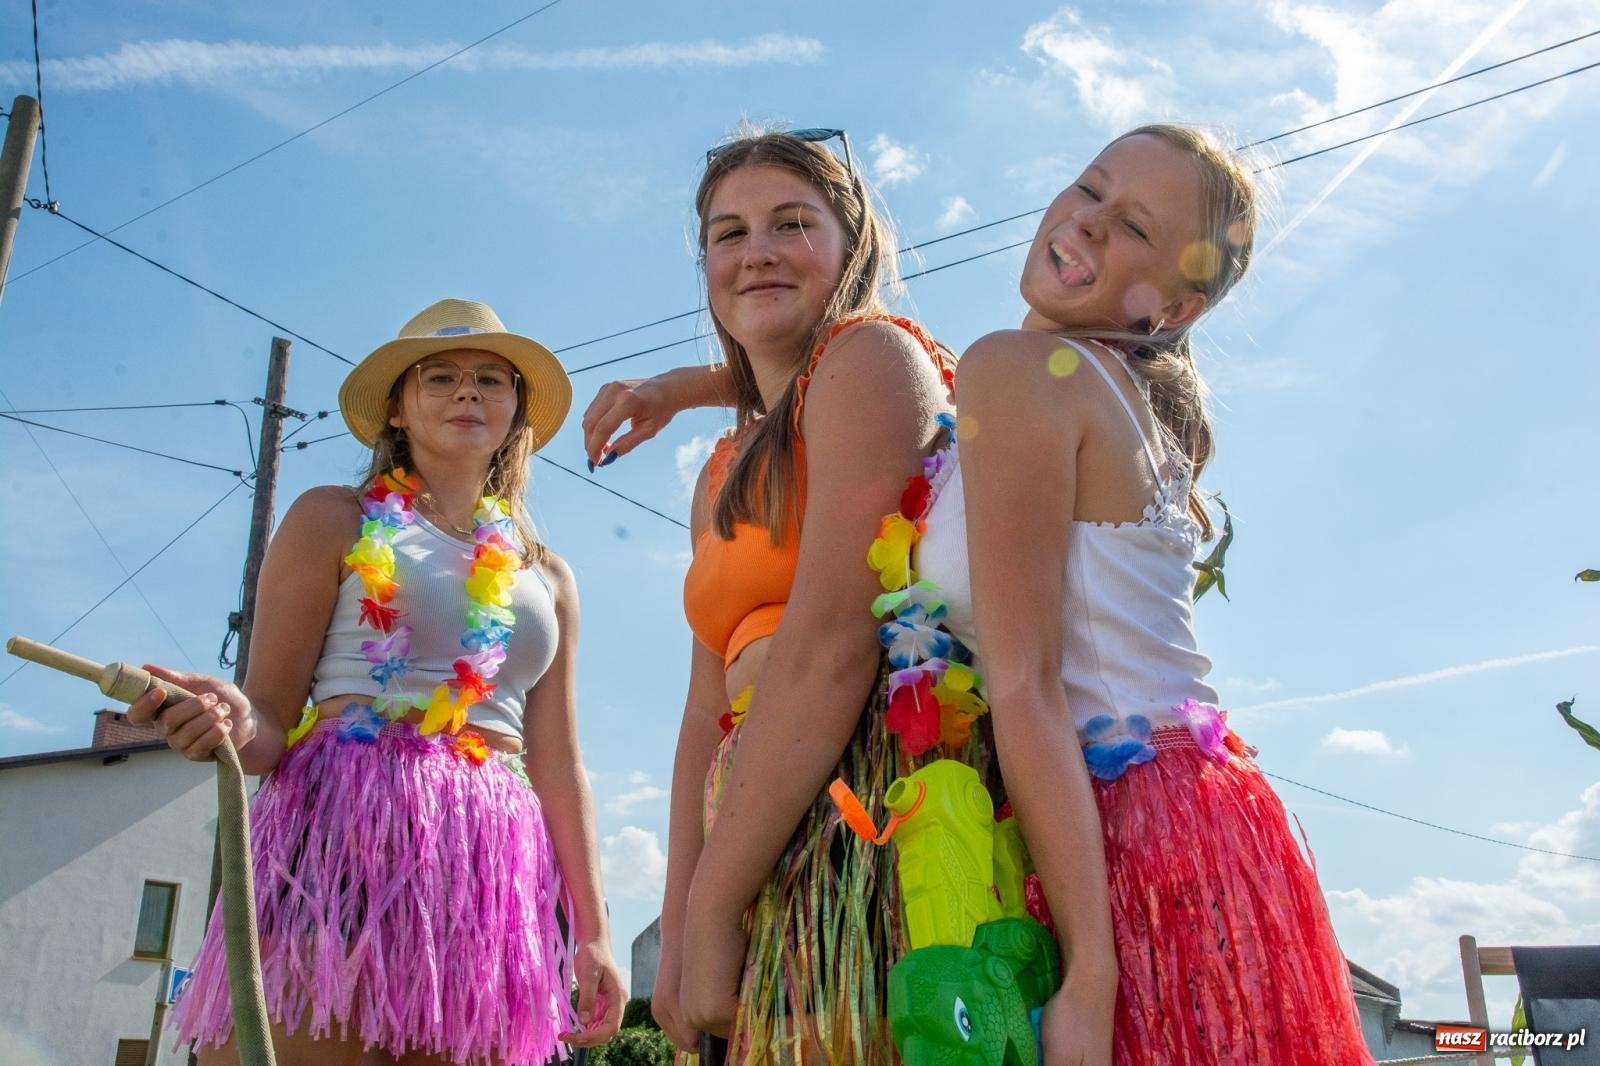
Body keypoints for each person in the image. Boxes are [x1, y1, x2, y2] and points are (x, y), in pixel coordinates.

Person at [585, 125, 1375, 1065]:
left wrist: (1092, 971)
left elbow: (1024, 684)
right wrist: (695, 384)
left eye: (1132, 226)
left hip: (1123, 825)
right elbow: (870, 396)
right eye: (1089, 188)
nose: (1085, 223)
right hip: (1156, 811)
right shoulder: (1049, 386)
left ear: (1174, 304)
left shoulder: (1022, 373)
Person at [128, 298, 624, 1065]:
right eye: (442, 376)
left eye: (491, 378)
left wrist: (591, 931)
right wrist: (226, 718)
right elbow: (265, 723)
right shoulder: (335, 518)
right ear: (398, 404)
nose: (468, 392)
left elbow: (558, 762)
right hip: (339, 832)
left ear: (517, 408)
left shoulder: (546, 573)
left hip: (489, 859)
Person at [595, 127, 964, 1064]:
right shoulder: (720, 465)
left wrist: (716, 901)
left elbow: (834, 644)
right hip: (749, 821)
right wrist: (679, 924)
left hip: (858, 812)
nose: (755, 249)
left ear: (852, 246)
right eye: (728, 233)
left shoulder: (875, 360)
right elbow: (699, 710)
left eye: (790, 223)